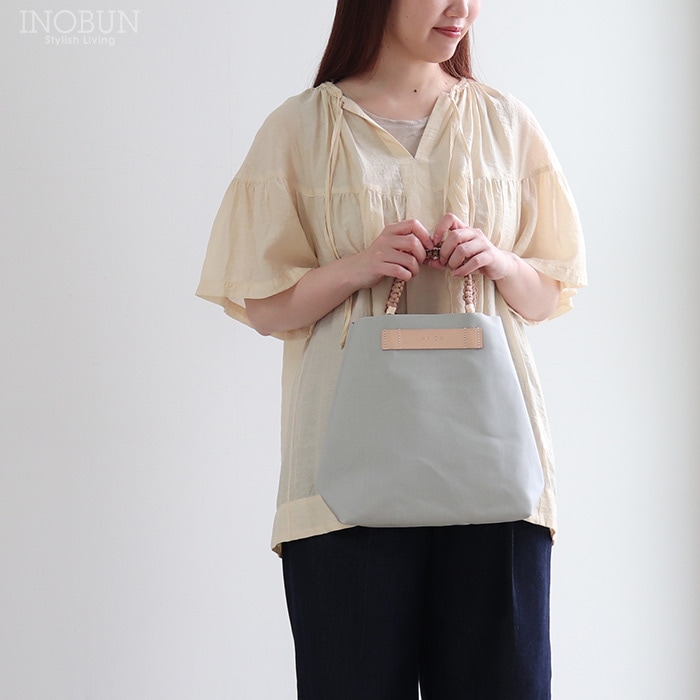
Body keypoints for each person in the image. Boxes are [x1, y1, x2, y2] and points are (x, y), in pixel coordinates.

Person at [196, 0, 586, 697]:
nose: (463, 10)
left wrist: (497, 260)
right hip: (345, 483)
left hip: (493, 477)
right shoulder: (301, 129)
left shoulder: (506, 124)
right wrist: (357, 267)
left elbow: (547, 296)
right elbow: (263, 307)